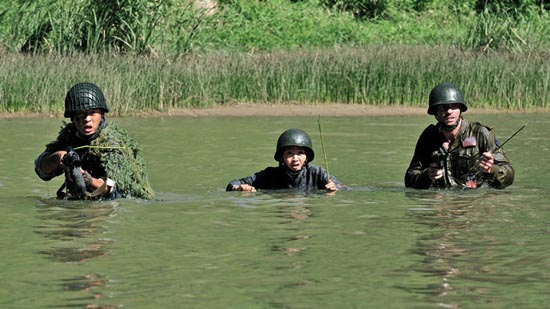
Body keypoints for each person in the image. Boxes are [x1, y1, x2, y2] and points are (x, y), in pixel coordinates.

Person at [35, 82, 155, 200]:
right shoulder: (68, 137)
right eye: (81, 114)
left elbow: (111, 187)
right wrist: (58, 158)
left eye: (93, 113)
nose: (87, 119)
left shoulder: (112, 143)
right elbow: (41, 170)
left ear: (101, 114)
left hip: (110, 208)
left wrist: (87, 179)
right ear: (72, 118)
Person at [405, 82, 514, 189]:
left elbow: (509, 174)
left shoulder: (480, 134)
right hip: (440, 203)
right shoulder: (428, 137)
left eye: (454, 106)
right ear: (435, 113)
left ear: (460, 109)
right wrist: (427, 175)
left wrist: (491, 169)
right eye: (443, 108)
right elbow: (409, 179)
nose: (449, 111)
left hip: (474, 201)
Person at [226, 128, 345, 192]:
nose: (295, 158)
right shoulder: (270, 175)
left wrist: (336, 188)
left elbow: (344, 188)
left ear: (306, 157)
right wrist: (239, 188)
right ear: (281, 157)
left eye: (300, 153)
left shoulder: (317, 173)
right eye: (289, 153)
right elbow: (233, 183)